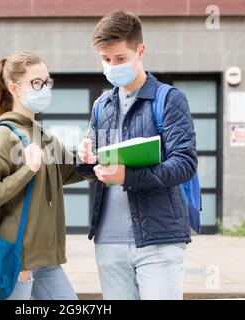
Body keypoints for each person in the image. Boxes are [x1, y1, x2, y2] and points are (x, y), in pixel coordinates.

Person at [76, 11, 197, 300]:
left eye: (119, 58)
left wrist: (127, 176)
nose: (112, 66)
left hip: (159, 240)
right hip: (108, 241)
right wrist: (84, 157)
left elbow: (184, 163)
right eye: (106, 59)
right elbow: (91, 167)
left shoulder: (168, 99)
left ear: (140, 50)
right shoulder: (101, 104)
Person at [0, 52, 84, 300]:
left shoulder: (42, 135)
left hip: (45, 258)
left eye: (47, 82)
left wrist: (90, 157)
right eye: (36, 83)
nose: (44, 88)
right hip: (18, 261)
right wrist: (27, 170)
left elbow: (69, 170)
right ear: (14, 88)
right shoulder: (3, 134)